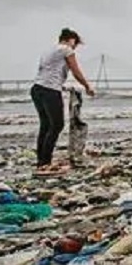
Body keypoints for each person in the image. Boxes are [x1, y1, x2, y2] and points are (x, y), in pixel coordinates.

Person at [30, 28, 95, 174]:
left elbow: (47, 72)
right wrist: (87, 86)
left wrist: (62, 86)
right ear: (70, 39)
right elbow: (75, 70)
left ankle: (41, 161)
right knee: (57, 125)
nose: (75, 47)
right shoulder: (66, 49)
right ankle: (45, 162)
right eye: (75, 43)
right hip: (50, 90)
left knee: (45, 125)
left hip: (37, 89)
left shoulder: (49, 51)